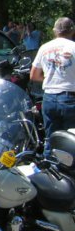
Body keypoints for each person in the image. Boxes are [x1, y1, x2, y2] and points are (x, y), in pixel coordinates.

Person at [30, 17, 75, 157]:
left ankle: (49, 171)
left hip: (49, 97)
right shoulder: (73, 47)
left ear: (55, 31)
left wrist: (50, 78)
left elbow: (34, 75)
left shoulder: (44, 48)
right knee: (70, 142)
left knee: (50, 139)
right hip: (70, 99)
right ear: (72, 30)